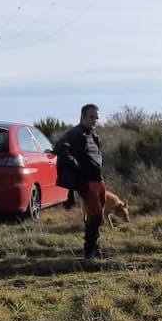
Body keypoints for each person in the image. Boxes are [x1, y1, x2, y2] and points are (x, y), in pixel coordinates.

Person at [55, 103, 107, 261]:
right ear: (83, 116)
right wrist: (77, 169)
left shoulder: (92, 134)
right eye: (92, 117)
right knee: (95, 215)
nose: (94, 120)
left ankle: (93, 249)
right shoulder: (75, 132)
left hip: (98, 180)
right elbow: (60, 148)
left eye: (96, 118)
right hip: (87, 182)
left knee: (97, 216)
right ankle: (89, 252)